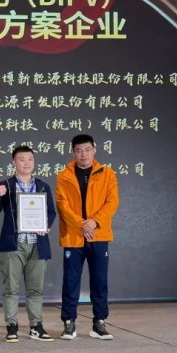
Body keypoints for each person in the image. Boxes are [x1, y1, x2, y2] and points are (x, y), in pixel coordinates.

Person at [0, 145, 56, 343]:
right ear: (14, 162)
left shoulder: (43, 186)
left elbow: (51, 212)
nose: (26, 163)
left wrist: (45, 226)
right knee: (11, 289)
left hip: (37, 244)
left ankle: (36, 326)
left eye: (30, 159)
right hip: (13, 244)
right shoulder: (5, 185)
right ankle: (11, 327)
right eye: (22, 159)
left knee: (36, 290)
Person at [55, 134, 119, 340]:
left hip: (98, 235)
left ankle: (99, 322)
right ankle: (69, 322)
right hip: (74, 236)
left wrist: (94, 221)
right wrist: (82, 224)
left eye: (87, 149)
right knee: (71, 281)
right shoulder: (64, 175)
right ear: (73, 152)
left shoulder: (107, 173)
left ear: (94, 150)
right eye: (79, 150)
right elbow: (62, 205)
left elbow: (112, 202)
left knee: (100, 280)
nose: (83, 154)